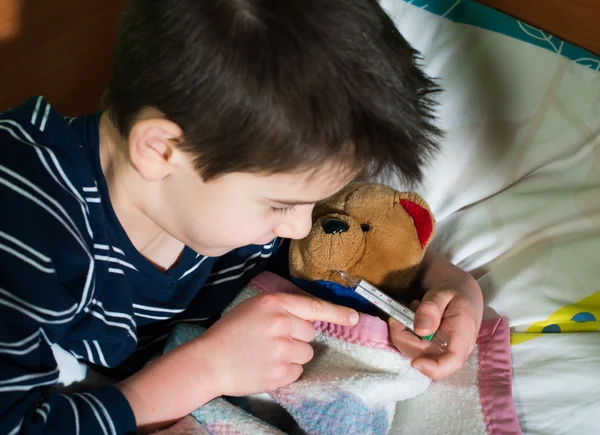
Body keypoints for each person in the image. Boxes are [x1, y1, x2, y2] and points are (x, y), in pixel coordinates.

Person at [0, 0, 483, 433]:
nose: (298, 228)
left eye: (313, 201)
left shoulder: (220, 182)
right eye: (280, 205)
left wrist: (443, 282)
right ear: (162, 150)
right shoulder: (27, 226)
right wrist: (210, 368)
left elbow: (336, 240)